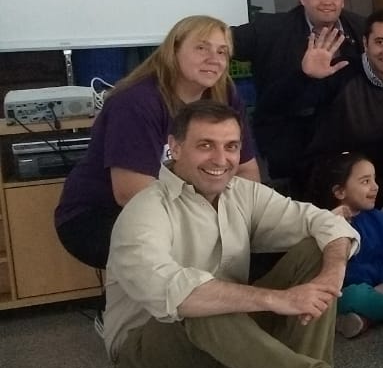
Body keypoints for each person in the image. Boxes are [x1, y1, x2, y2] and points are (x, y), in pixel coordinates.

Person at [105, 100, 383, 368]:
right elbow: (174, 290)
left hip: (231, 354)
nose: (221, 159)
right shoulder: (145, 210)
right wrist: (277, 298)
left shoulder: (240, 193)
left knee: (317, 247)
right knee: (198, 297)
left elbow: (323, 220)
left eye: (231, 147)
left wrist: (331, 273)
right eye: (205, 145)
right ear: (174, 148)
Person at [56, 15, 260, 270]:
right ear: (172, 51)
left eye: (222, 51)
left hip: (188, 208)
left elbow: (247, 171)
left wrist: (240, 220)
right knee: (196, 254)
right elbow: (131, 193)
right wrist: (210, 221)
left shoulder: (224, 95)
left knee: (260, 246)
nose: (214, 58)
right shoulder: (136, 102)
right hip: (99, 215)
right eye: (201, 48)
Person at [231, 0, 363, 188]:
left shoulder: (361, 28)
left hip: (341, 139)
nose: (327, 2)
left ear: (343, 0)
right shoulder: (270, 29)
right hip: (286, 145)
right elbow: (218, 40)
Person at [305, 8, 383, 197]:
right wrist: (306, 78)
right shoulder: (337, 73)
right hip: (341, 184)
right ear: (365, 43)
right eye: (380, 42)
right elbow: (286, 107)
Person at [313, 152, 383, 340]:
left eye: (374, 179)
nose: (375, 187)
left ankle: (365, 319)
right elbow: (339, 272)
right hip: (354, 290)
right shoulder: (328, 224)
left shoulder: (377, 218)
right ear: (340, 192)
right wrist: (372, 286)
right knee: (354, 296)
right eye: (365, 181)